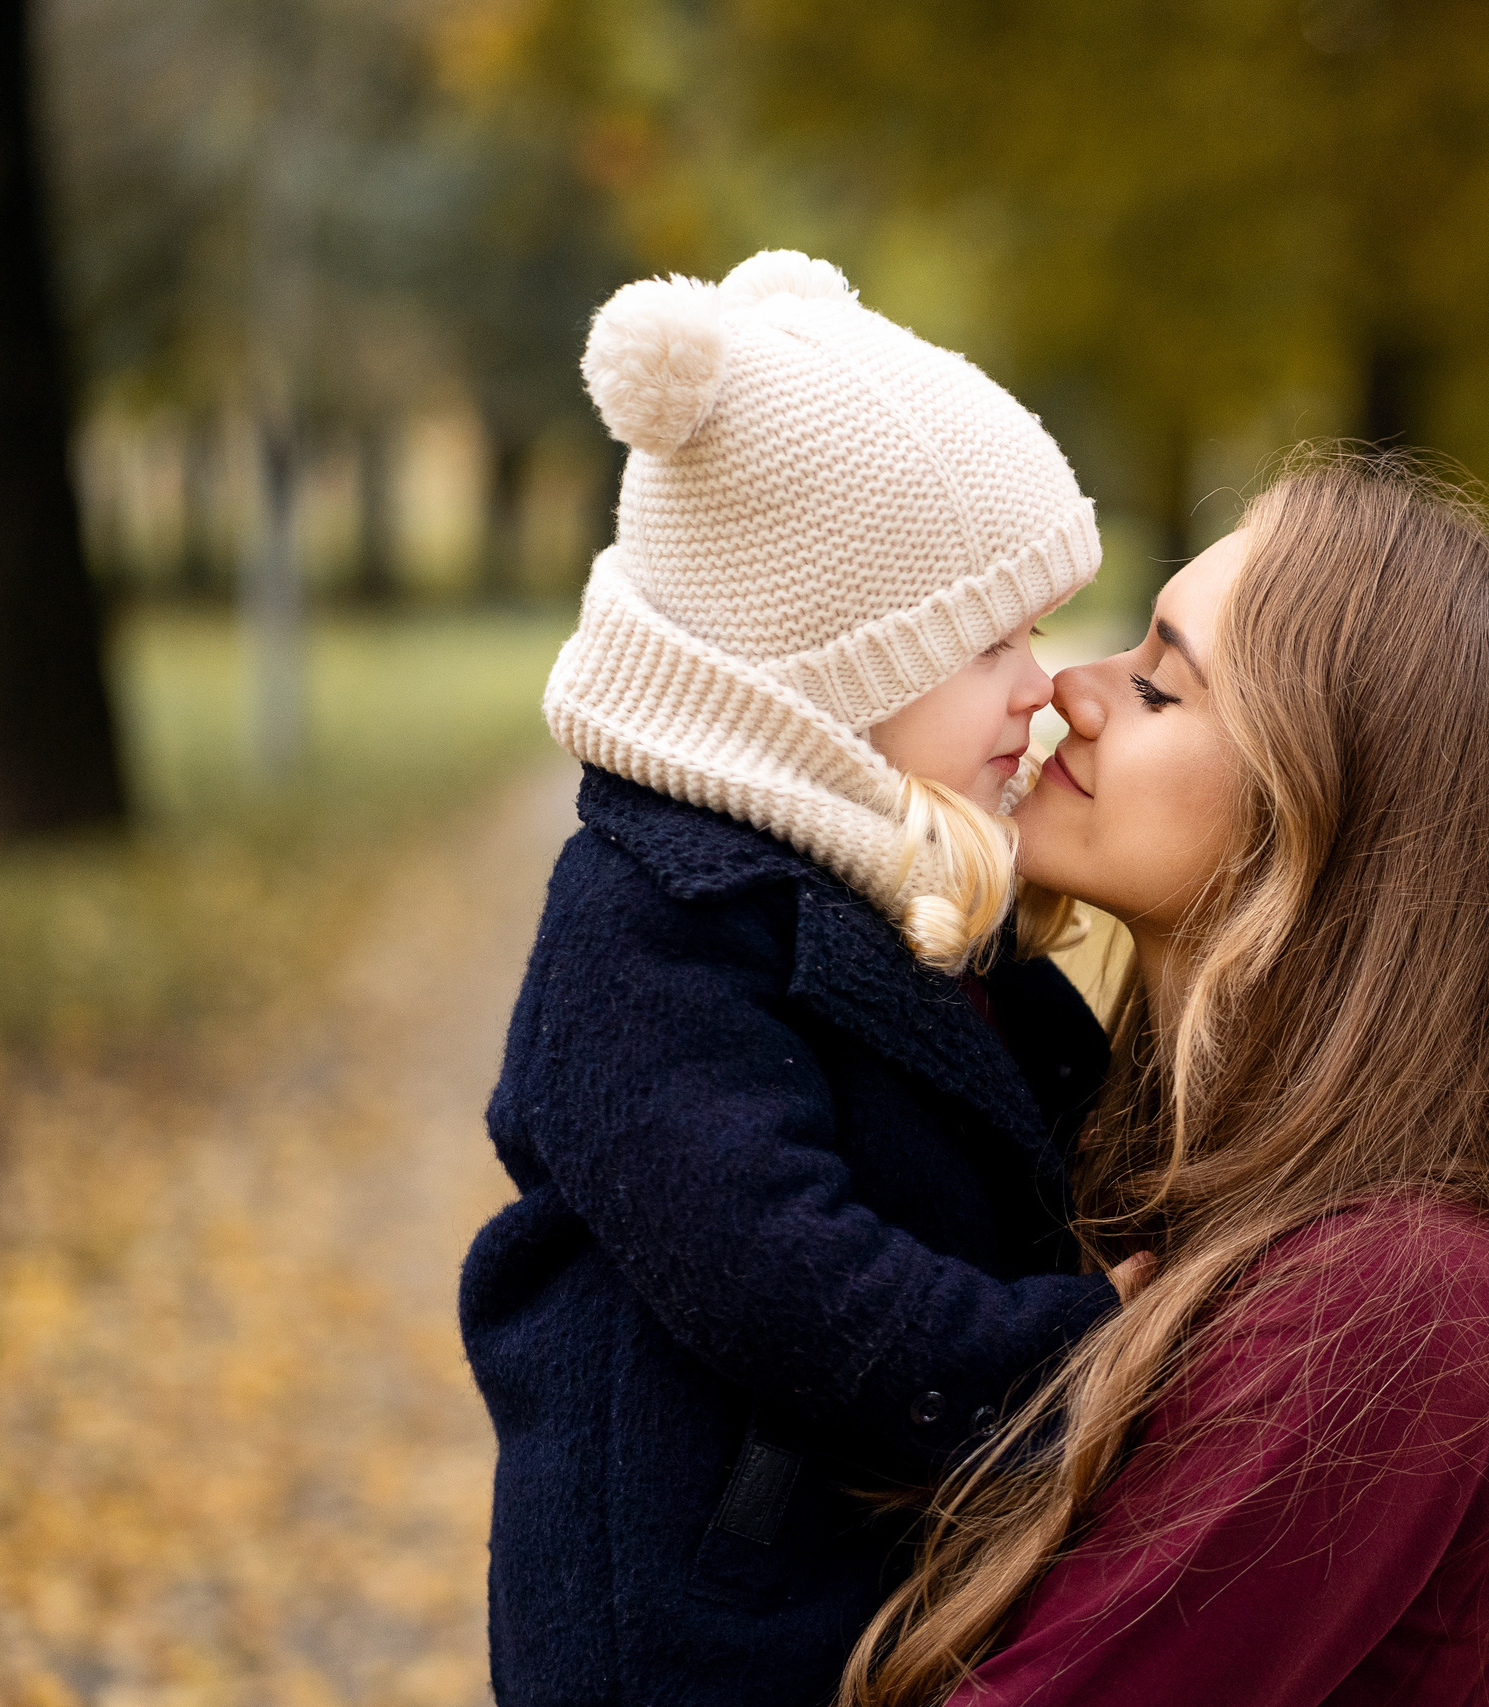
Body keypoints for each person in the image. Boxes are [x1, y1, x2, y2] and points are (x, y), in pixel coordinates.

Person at [843, 452, 1489, 1707]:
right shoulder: (1129, 1152)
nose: (1072, 686)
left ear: (1332, 825)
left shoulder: (1400, 1305)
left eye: (1162, 685)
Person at [458, 251, 1140, 1707]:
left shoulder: (862, 873)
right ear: (817, 678)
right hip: (688, 1632)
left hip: (835, 1595)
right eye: (987, 642)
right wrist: (1087, 1359)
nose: (1043, 683)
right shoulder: (648, 916)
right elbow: (781, 1270)